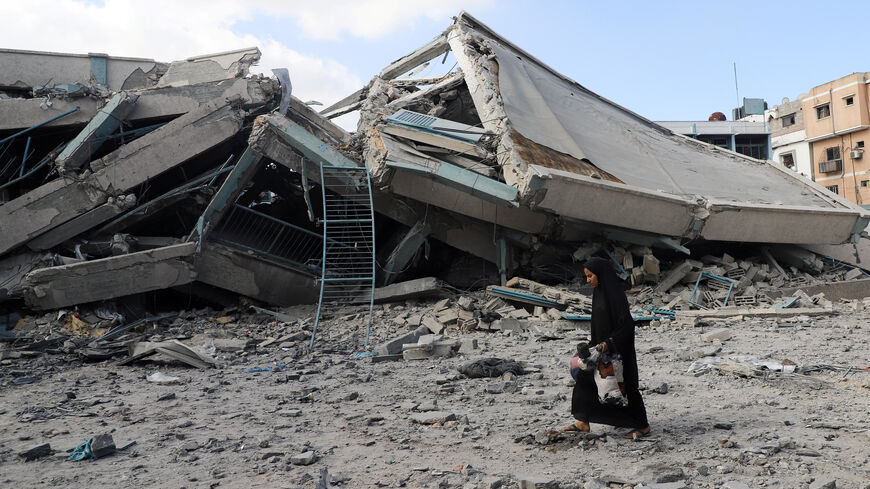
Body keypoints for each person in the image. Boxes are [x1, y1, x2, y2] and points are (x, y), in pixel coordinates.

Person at [562, 257, 651, 438]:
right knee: (585, 378)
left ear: (600, 275)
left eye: (590, 276)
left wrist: (609, 343)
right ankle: (583, 420)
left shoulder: (616, 294)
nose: (588, 280)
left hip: (619, 349)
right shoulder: (599, 292)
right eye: (586, 276)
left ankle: (642, 425)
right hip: (601, 348)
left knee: (627, 385)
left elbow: (627, 326)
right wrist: (593, 345)